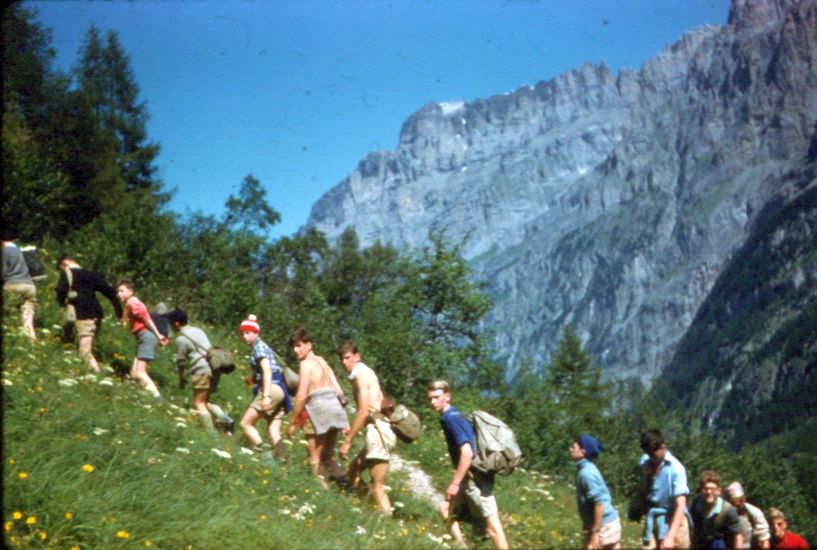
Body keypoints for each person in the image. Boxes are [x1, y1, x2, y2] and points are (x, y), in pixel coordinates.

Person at [427, 380, 509, 550]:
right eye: (430, 398)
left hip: (475, 481)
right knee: (445, 509)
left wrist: (455, 483)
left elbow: (467, 452)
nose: (432, 402)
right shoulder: (455, 416)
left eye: (436, 397)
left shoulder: (451, 419)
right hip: (469, 479)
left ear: (447, 397)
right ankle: (461, 545)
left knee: (493, 527)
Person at [337, 340, 396, 515]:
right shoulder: (367, 374)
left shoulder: (361, 377)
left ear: (357, 357)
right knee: (352, 472)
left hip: (378, 432)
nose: (344, 362)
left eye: (347, 357)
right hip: (378, 428)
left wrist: (348, 441)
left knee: (377, 486)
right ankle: (371, 509)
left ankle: (387, 521)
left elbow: (364, 411)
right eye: (341, 359)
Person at [286, 327, 349, 488]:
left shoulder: (306, 365)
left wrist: (292, 421)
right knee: (327, 457)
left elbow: (301, 395)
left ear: (309, 345)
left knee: (314, 458)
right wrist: (344, 417)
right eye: (294, 346)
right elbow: (339, 390)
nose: (295, 350)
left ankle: (321, 490)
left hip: (318, 409)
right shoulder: (322, 361)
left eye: (299, 345)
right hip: (335, 408)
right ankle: (345, 484)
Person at [166, 308, 235, 434]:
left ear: (176, 323)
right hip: (215, 368)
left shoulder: (181, 339)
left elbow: (181, 361)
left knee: (198, 403)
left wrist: (181, 379)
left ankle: (211, 435)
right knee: (206, 400)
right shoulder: (198, 330)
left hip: (201, 370)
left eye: (170, 323)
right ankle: (225, 419)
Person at [236, 314, 291, 458]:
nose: (244, 336)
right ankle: (283, 463)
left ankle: (267, 459)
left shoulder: (258, 347)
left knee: (245, 424)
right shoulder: (263, 346)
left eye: (247, 333)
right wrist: (253, 379)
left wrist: (265, 396)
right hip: (281, 390)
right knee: (274, 432)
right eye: (242, 333)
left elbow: (267, 370)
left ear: (256, 333)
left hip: (271, 389)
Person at [55, 255, 122, 371]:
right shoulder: (91, 274)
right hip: (97, 314)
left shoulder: (67, 273)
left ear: (64, 264)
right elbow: (110, 292)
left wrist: (63, 304)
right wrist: (119, 312)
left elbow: (61, 290)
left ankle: (97, 375)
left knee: (84, 351)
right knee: (81, 344)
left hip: (83, 315)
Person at [635, 429, 691, 549]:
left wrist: (670, 537)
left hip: (674, 519)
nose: (651, 457)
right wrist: (646, 476)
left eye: (654, 452)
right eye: (648, 453)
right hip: (654, 518)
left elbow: (680, 505)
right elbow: (643, 491)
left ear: (663, 447)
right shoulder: (645, 463)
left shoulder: (676, 469)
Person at [116, 279, 168, 397]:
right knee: (134, 373)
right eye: (118, 291)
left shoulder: (133, 302)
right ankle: (137, 395)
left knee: (140, 372)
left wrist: (158, 335)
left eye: (121, 291)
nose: (118, 294)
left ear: (131, 291)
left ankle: (156, 397)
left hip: (146, 336)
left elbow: (147, 319)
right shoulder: (129, 304)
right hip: (142, 337)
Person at [570, 434, 621, 549]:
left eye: (573, 447)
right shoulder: (587, 468)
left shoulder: (586, 473)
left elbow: (599, 504)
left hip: (604, 526)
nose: (570, 449)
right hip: (606, 523)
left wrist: (595, 533)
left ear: (583, 451)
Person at [689, 469, 743, 549]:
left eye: (712, 489)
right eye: (705, 489)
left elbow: (737, 535)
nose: (709, 492)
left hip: (719, 544)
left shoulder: (727, 510)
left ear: (719, 491)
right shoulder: (695, 505)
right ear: (701, 490)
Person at [2, 238, 37, 340]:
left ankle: (10, 336)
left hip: (12, 285)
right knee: (27, 316)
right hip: (29, 286)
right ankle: (31, 340)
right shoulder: (21, 251)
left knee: (9, 313)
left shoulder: (3, 251)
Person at [725, 482, 770, 549]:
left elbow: (764, 539)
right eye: (732, 502)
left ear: (743, 499)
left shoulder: (754, 512)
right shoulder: (723, 513)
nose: (735, 506)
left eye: (738, 500)